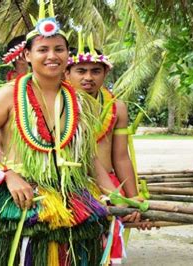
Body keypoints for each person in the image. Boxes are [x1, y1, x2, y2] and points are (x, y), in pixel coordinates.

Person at [0, 2, 129, 264]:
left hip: (75, 202)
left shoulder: (79, 101)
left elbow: (89, 159)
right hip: (22, 203)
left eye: (59, 49)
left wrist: (119, 199)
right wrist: (7, 176)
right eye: (43, 50)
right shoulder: (8, 96)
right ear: (27, 55)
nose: (52, 56)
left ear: (68, 55)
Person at [65, 34, 146, 264]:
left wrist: (132, 197)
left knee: (105, 253)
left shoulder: (117, 107)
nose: (88, 78)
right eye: (81, 71)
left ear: (106, 73)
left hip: (109, 187)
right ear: (67, 73)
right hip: (72, 187)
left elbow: (121, 157)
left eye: (95, 71)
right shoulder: (60, 104)